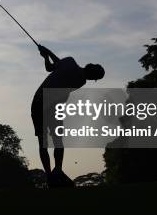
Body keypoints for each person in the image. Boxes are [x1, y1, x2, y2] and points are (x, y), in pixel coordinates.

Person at [31, 45, 104, 187]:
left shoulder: (71, 62)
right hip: (49, 104)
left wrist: (46, 53)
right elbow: (52, 67)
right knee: (56, 141)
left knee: (43, 142)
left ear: (90, 67)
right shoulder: (80, 81)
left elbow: (52, 67)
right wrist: (46, 55)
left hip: (39, 101)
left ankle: (50, 175)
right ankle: (56, 171)